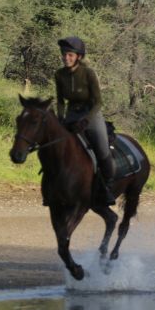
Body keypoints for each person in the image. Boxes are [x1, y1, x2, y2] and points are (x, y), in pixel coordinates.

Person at [54, 36, 117, 205]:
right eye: (64, 54)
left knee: (103, 151)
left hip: (92, 115)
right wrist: (60, 119)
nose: (66, 57)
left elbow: (98, 102)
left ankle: (108, 189)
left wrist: (86, 121)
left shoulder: (89, 73)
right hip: (71, 114)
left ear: (78, 57)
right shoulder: (59, 74)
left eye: (70, 55)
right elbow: (60, 101)